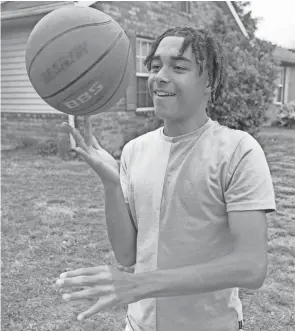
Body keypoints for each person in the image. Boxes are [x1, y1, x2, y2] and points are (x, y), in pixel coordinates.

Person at [56, 27, 276, 331]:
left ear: (209, 82)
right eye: (155, 66)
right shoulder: (135, 150)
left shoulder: (238, 151)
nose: (159, 76)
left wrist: (139, 285)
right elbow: (127, 254)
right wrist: (110, 183)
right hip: (139, 325)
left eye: (179, 67)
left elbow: (252, 267)